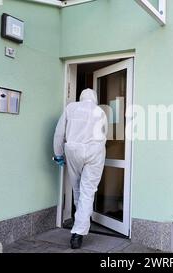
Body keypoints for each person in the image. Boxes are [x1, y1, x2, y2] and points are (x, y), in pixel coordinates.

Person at [53, 88, 108, 249]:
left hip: (73, 150)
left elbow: (59, 133)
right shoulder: (100, 111)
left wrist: (58, 154)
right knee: (88, 190)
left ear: (81, 97)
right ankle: (78, 232)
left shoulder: (71, 108)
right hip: (95, 151)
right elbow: (104, 134)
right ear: (95, 98)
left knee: (77, 187)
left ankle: (81, 218)